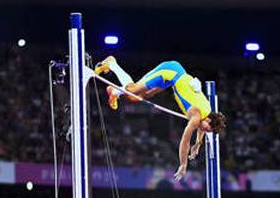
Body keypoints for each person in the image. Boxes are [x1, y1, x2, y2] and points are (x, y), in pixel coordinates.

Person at [96, 56, 228, 180]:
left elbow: (202, 128)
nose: (204, 130)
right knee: (133, 89)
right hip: (169, 72)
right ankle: (112, 63)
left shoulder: (207, 112)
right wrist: (183, 164)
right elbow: (185, 141)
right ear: (208, 120)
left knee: (138, 97)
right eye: (207, 129)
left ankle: (115, 92)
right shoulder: (197, 115)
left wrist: (198, 144)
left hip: (174, 77)